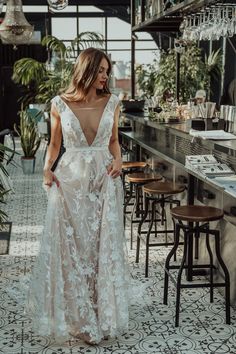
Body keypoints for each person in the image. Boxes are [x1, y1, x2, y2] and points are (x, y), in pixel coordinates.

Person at [25, 48, 130, 345]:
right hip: (70, 183)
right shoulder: (59, 104)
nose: (105, 76)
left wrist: (119, 162)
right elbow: (55, 145)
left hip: (103, 182)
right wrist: (47, 170)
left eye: (107, 71)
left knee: (100, 248)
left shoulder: (113, 102)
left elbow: (113, 143)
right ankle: (79, 318)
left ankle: (100, 312)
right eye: (100, 71)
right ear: (86, 70)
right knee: (73, 250)